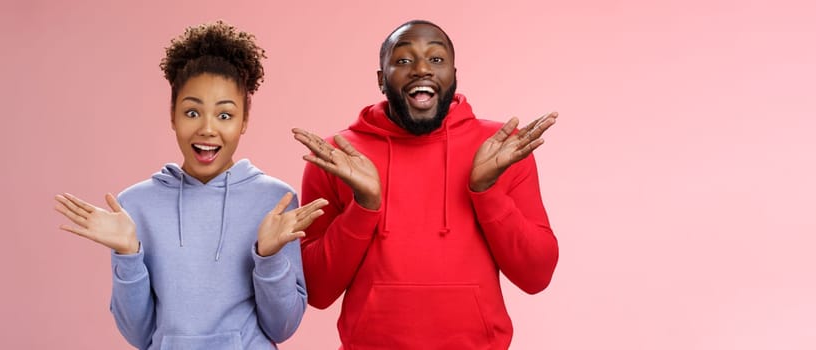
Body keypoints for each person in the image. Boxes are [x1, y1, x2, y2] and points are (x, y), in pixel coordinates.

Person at [53, 21, 327, 350]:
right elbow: (137, 335)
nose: (208, 129)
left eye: (224, 115)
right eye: (192, 112)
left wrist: (268, 257)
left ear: (244, 121)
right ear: (172, 115)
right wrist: (127, 253)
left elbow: (282, 327)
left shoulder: (274, 201)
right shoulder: (135, 206)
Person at [292, 19, 559, 349]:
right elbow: (316, 290)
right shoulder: (338, 156)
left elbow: (537, 276)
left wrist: (486, 191)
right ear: (381, 79)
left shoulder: (500, 148)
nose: (421, 69)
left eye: (436, 59)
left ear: (453, 75)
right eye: (403, 60)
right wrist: (364, 206)